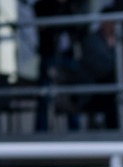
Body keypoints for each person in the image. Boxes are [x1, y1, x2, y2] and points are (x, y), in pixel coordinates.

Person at [33, 0, 86, 131]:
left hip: (68, 56)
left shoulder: (74, 6)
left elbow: (80, 29)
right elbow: (43, 27)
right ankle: (41, 131)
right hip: (49, 55)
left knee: (71, 94)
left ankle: (75, 130)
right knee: (44, 94)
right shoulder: (43, 6)